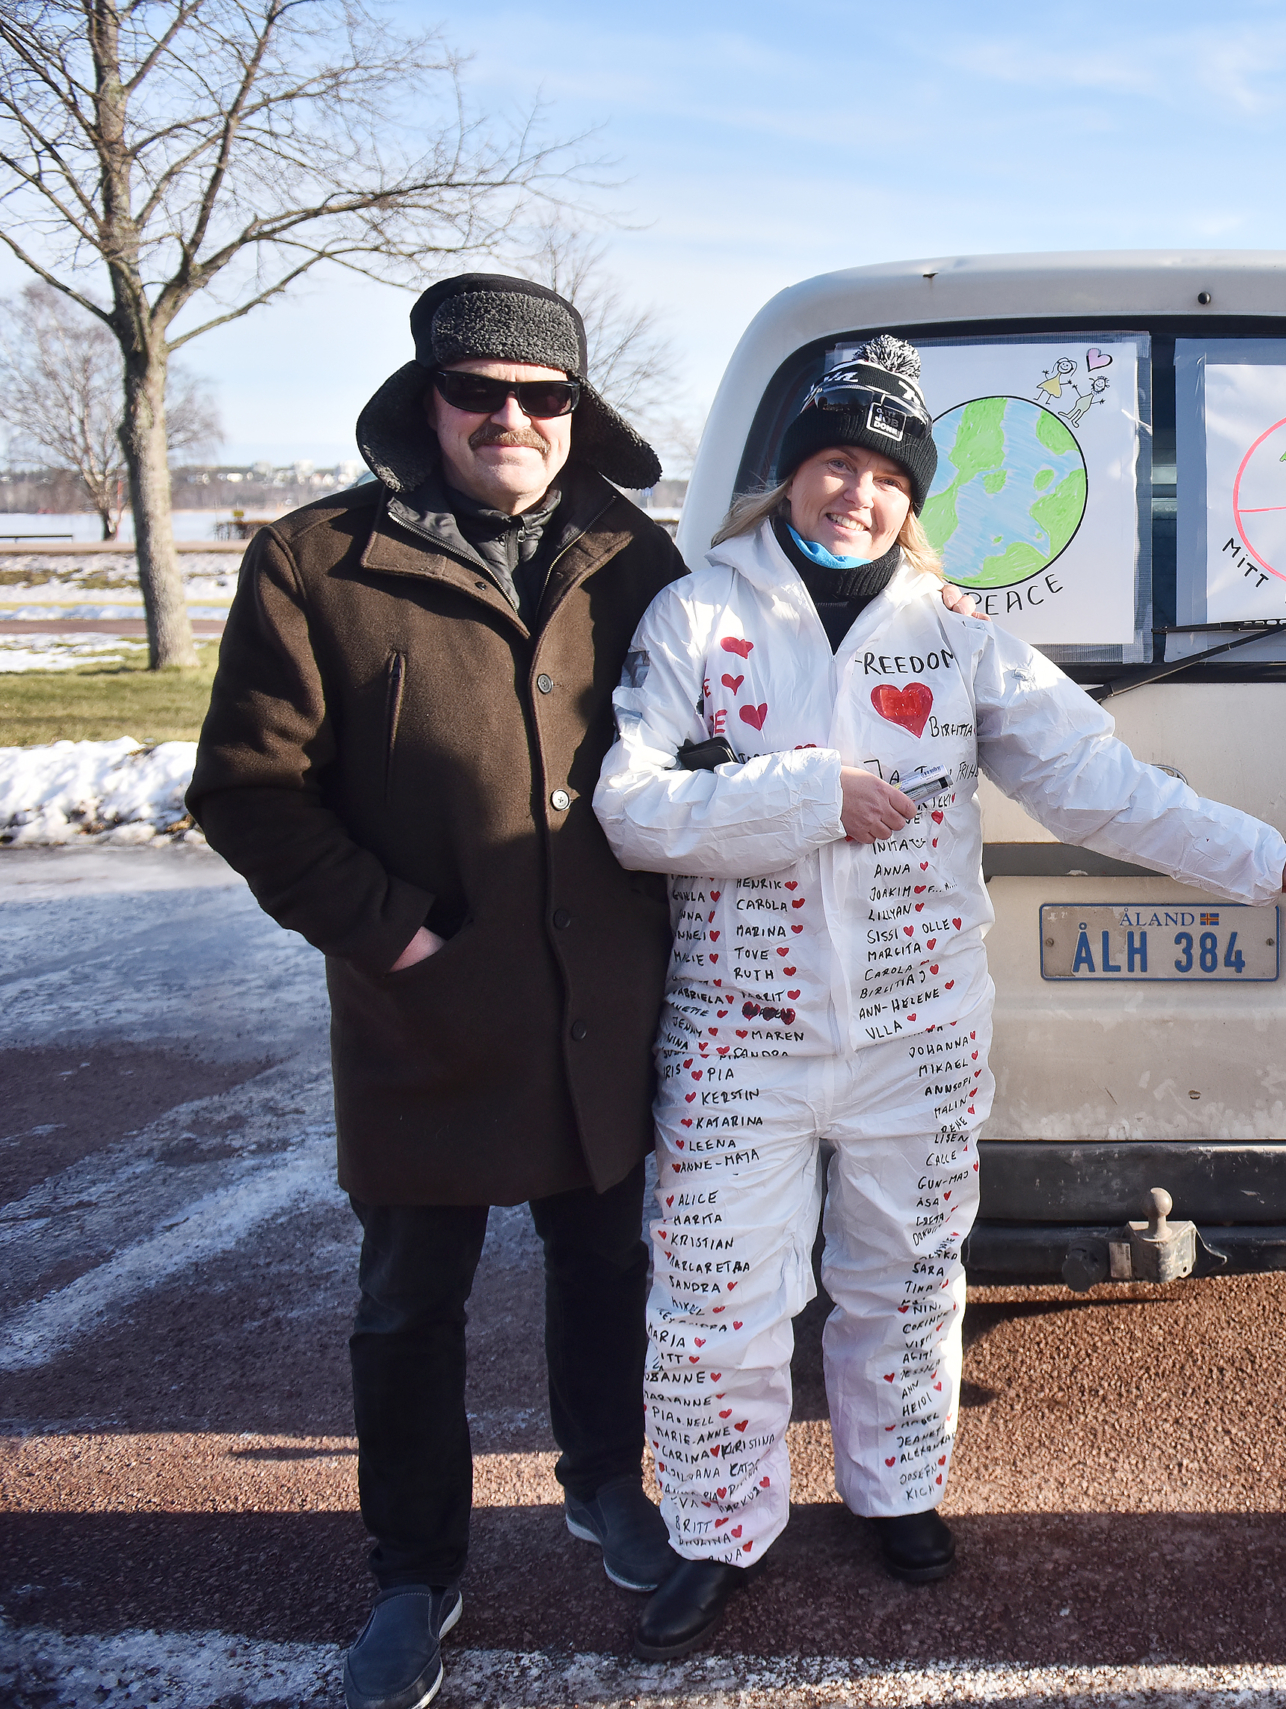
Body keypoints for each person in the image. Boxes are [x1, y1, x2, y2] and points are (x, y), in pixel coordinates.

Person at [591, 336, 1286, 1659]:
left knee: (907, 1278)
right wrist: (801, 792)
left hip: (918, 1036)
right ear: (789, 476)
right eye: (833, 463)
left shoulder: (959, 637)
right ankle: (716, 1530)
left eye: (886, 474)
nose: (855, 494)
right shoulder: (696, 617)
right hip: (737, 1039)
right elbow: (632, 810)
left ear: (913, 498)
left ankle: (896, 1491)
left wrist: (1268, 865)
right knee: (717, 1296)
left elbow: (1105, 788)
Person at [188, 274, 689, 1709]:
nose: (512, 420)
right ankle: (413, 1569)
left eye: (544, 397)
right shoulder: (313, 561)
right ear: (430, 404)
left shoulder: (634, 559)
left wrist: (930, 597)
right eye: (481, 393)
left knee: (607, 1268)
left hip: (602, 1013)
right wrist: (399, 940)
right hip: (424, 1019)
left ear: (579, 414)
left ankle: (605, 1485)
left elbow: (766, 661)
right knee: (410, 1307)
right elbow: (250, 790)